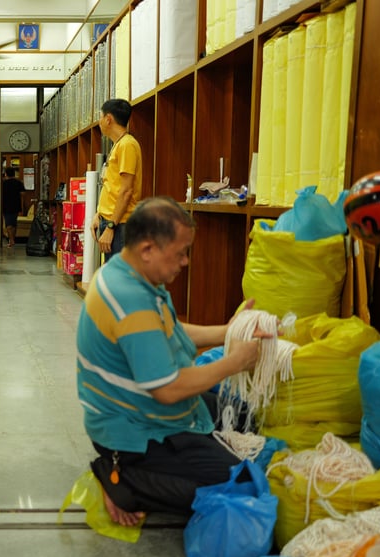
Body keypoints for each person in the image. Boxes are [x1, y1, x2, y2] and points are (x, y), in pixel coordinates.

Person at [77, 197, 270, 526]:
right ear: (148, 249)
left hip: (139, 407)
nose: (185, 261)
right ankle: (123, 479)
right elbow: (168, 390)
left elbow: (167, 329)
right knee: (242, 486)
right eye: (180, 252)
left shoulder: (126, 272)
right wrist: (235, 361)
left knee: (243, 416)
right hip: (134, 429)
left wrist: (227, 332)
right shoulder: (131, 298)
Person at [91, 98, 143, 261]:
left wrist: (111, 226)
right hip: (112, 221)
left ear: (108, 119)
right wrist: (99, 214)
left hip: (120, 224)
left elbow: (126, 191)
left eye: (100, 116)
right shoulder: (118, 145)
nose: (99, 121)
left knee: (119, 281)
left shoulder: (127, 145)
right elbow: (112, 186)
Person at [1, 167, 24, 247]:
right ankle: (12, 239)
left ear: (6, 174)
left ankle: (11, 240)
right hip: (16, 205)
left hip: (6, 205)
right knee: (14, 223)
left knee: (8, 224)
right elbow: (22, 193)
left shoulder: (3, 183)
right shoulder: (18, 182)